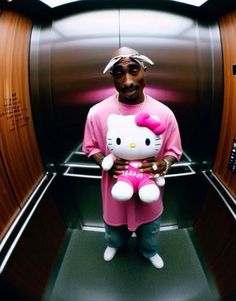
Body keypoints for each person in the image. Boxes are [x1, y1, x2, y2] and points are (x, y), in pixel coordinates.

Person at [82, 46, 182, 269]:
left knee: (150, 231)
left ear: (144, 70)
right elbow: (90, 147)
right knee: (114, 230)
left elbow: (174, 150)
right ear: (112, 77)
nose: (127, 81)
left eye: (134, 70)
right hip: (115, 192)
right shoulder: (97, 113)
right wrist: (104, 162)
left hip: (150, 194)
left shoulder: (164, 113)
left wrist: (163, 164)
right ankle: (114, 244)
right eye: (119, 73)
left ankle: (149, 250)